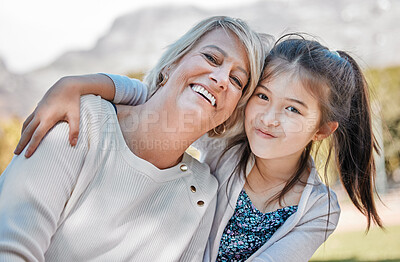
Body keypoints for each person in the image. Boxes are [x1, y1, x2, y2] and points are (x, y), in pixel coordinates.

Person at [12, 36, 383, 261]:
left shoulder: (319, 209)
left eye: (292, 109)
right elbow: (162, 97)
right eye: (262, 96)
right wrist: (81, 84)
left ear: (322, 129)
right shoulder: (225, 144)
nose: (269, 118)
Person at [0, 16, 266, 261]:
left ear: (231, 114)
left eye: (236, 80)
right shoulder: (81, 120)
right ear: (171, 65)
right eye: (211, 58)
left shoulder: (202, 193)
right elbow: (10, 248)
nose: (221, 79)